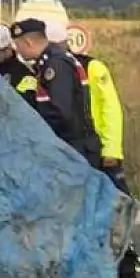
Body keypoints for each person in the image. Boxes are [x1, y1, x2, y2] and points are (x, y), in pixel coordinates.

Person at [71, 25, 140, 278]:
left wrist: (111, 150)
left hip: (103, 156)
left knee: (117, 218)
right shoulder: (56, 67)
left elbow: (111, 110)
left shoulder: (93, 67)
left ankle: (128, 277)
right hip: (80, 155)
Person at [10, 18, 102, 168]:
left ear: (28, 42)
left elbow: (61, 112)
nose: (17, 50)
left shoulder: (55, 65)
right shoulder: (50, 60)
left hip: (73, 147)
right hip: (72, 146)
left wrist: (35, 125)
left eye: (17, 45)